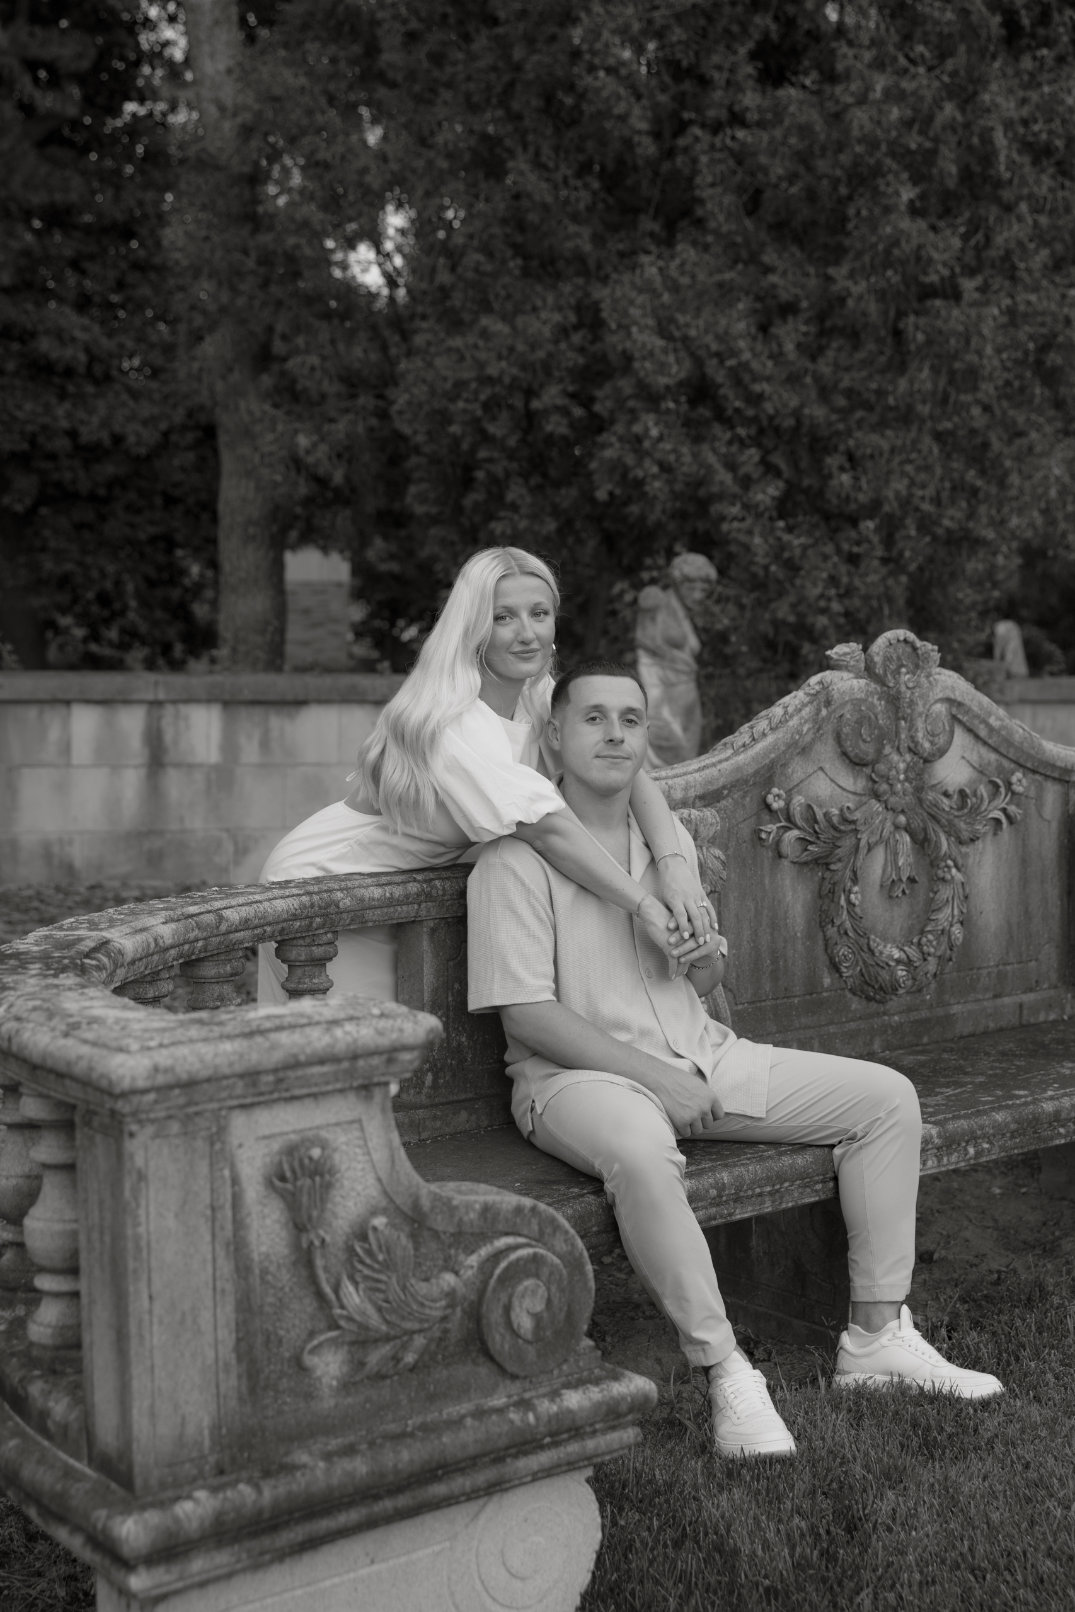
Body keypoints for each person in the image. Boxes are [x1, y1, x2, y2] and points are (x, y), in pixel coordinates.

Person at [467, 660, 1004, 1460]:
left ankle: (874, 1339)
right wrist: (657, 1081)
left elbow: (703, 979)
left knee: (885, 1100)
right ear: (552, 735)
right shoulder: (511, 862)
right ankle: (725, 1370)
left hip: (702, 1055)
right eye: (593, 718)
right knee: (642, 1154)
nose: (614, 734)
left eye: (630, 719)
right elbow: (528, 1017)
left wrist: (702, 957)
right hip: (576, 1082)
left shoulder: (666, 848)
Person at [258, 548, 714, 1004]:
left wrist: (674, 866)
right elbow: (549, 831)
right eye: (503, 618)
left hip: (399, 893)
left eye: (539, 614)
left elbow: (631, 775)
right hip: (328, 879)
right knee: (354, 1038)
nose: (527, 633)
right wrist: (645, 905)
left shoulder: (539, 698)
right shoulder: (452, 720)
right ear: (474, 627)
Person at [635, 552, 717, 767]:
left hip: (687, 697)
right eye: (693, 588)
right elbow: (644, 642)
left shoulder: (684, 613)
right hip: (663, 693)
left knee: (687, 758)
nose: (698, 596)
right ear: (679, 583)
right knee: (667, 751)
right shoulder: (655, 600)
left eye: (704, 591)